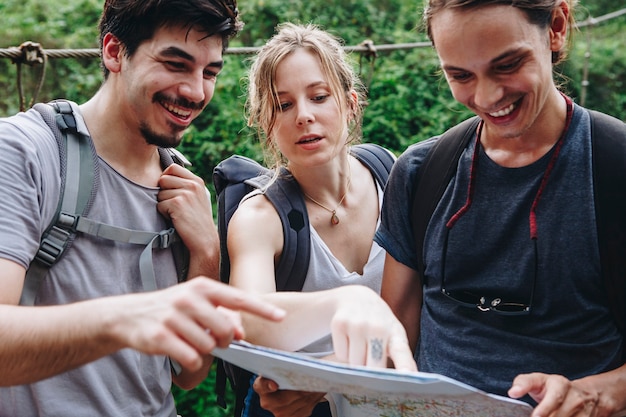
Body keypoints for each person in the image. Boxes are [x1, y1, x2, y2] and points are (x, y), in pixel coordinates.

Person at [0, 0, 290, 415]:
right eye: (175, 64)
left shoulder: (179, 184)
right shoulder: (25, 152)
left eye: (209, 72)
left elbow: (187, 373)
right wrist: (129, 318)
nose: (195, 91)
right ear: (114, 52)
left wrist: (206, 251)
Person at [374, 1, 626, 417]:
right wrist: (314, 388)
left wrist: (597, 393)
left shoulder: (614, 170)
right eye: (460, 75)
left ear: (557, 27)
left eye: (507, 65)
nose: (488, 97)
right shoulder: (422, 173)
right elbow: (391, 343)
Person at [225, 22, 401, 417]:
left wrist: (332, 371)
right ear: (263, 122)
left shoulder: (392, 176)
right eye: (283, 105)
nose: (304, 116)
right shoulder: (259, 218)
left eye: (319, 96)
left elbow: (418, 310)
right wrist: (350, 302)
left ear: (351, 102)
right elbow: (253, 324)